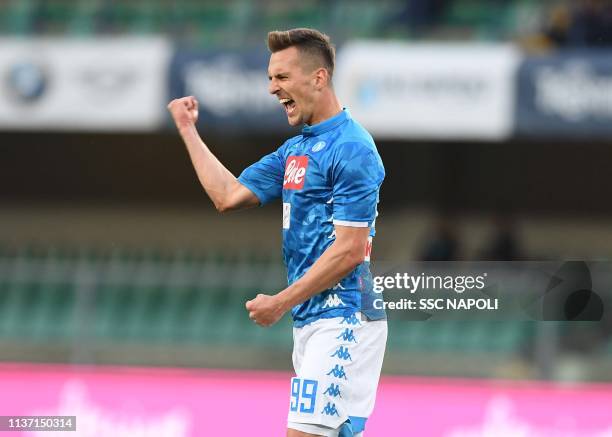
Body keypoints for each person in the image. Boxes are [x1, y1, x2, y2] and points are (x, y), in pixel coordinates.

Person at [168, 28, 386, 437]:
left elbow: (351, 249)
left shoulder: (352, 147)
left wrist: (280, 302)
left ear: (318, 78)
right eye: (271, 78)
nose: (272, 88)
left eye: (282, 77)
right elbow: (229, 195)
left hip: (344, 316)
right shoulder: (296, 149)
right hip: (311, 320)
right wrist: (187, 130)